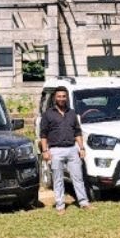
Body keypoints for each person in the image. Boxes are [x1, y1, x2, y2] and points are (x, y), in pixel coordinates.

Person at [39, 86, 91, 214]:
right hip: (56, 150)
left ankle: (84, 202)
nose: (61, 99)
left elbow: (77, 132)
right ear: (55, 98)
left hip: (72, 149)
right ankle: (60, 206)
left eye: (63, 96)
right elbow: (43, 134)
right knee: (58, 179)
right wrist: (45, 151)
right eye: (59, 96)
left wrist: (81, 148)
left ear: (67, 97)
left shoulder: (72, 113)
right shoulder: (48, 114)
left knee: (78, 178)